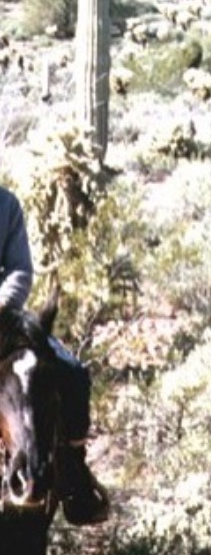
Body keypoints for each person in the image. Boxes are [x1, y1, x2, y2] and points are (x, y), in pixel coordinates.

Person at [0, 184, 110, 525]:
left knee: (72, 371)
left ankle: (75, 478)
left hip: (5, 316)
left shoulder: (6, 205)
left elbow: (20, 270)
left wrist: (3, 305)